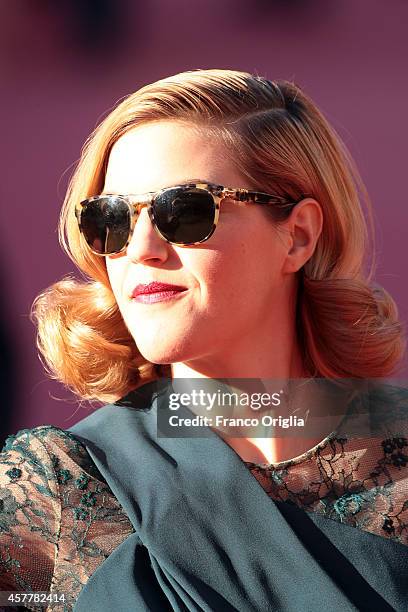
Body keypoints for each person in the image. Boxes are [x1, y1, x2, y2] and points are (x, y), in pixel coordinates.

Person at [0, 68, 407, 612]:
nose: (140, 247)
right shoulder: (55, 489)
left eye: (185, 211)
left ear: (298, 236)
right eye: (111, 219)